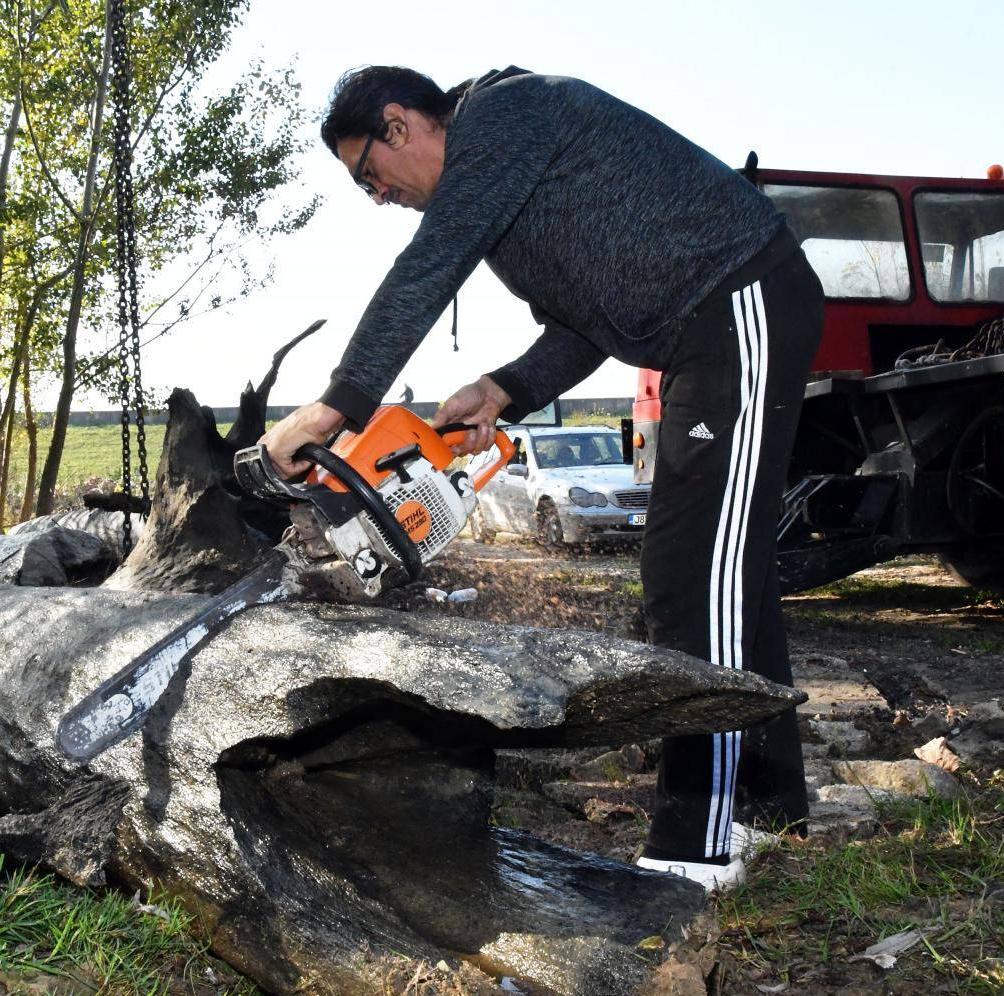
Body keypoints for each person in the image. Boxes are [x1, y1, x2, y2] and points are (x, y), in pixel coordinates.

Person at [259, 65, 824, 892]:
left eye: (369, 177)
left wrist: (335, 407)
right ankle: (769, 811)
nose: (378, 198)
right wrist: (508, 389)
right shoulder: (508, 190)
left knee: (691, 568)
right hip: (706, 329)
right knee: (723, 570)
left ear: (399, 124)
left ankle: (696, 846)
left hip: (741, 302)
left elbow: (430, 264)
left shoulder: (504, 116)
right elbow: (584, 326)